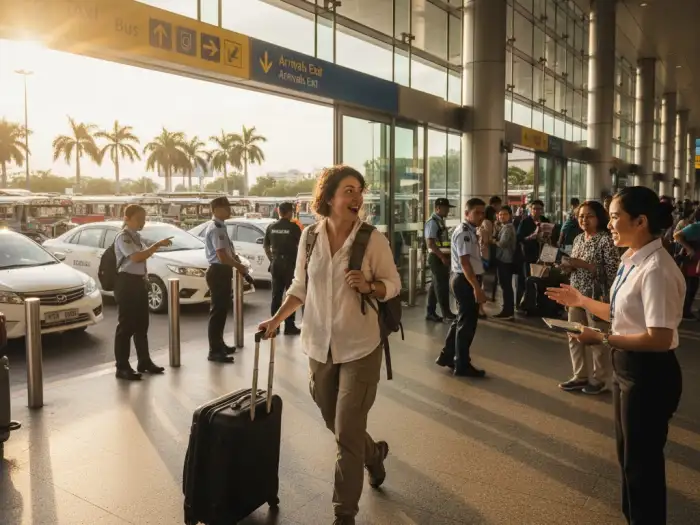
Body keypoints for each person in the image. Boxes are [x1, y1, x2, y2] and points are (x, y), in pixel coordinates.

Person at [258, 166, 401, 525]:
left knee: (347, 429)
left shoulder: (372, 239)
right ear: (330, 197)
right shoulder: (309, 238)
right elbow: (298, 288)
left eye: (359, 191)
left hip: (361, 346)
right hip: (318, 346)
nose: (357, 198)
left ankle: (344, 513)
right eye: (349, 191)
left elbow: (394, 285)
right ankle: (374, 454)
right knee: (333, 420)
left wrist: (370, 287)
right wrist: (276, 320)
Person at [546, 186, 684, 525]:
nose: (609, 224)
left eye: (614, 217)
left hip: (648, 373)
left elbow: (659, 338)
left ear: (640, 221)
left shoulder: (656, 270)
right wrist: (580, 301)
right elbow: (620, 312)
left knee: (642, 465)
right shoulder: (632, 260)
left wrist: (604, 339)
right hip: (628, 368)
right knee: (628, 458)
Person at [557, 201, 620, 395]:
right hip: (575, 294)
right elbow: (575, 265)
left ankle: (600, 379)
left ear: (599, 217)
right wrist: (569, 266)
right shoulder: (578, 239)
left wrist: (586, 265)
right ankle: (580, 375)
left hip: (595, 296)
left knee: (596, 337)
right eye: (581, 216)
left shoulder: (605, 240)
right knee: (573, 334)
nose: (584, 219)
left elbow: (613, 271)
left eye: (589, 215)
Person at [113, 204, 172, 381]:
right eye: (139, 219)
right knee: (126, 327)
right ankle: (122, 366)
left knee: (141, 325)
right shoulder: (123, 237)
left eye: (144, 219)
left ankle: (144, 361)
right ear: (127, 218)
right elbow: (137, 257)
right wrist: (157, 246)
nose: (142, 222)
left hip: (139, 283)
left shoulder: (136, 236)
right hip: (126, 283)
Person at [435, 198, 487, 377]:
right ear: (467, 213)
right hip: (465, 280)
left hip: (464, 279)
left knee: (460, 320)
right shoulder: (464, 232)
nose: (481, 216)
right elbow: (465, 263)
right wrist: (476, 287)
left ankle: (448, 356)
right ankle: (462, 363)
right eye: (477, 212)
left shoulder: (471, 231)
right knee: (467, 324)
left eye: (482, 212)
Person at [204, 196, 249, 363]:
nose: (229, 210)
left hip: (222, 271)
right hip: (218, 271)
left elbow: (227, 252)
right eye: (225, 207)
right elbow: (222, 256)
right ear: (215, 209)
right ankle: (214, 350)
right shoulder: (216, 228)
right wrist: (239, 266)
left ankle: (219, 344)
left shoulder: (220, 226)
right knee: (217, 312)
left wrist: (235, 261)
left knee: (222, 311)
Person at [264, 201, 302, 335]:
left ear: (279, 212)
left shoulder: (271, 227)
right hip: (290, 265)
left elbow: (266, 247)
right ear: (290, 212)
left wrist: (272, 259)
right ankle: (289, 326)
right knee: (290, 295)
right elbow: (302, 246)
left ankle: (275, 326)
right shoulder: (294, 228)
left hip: (276, 265)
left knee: (276, 296)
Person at [424, 198, 456, 323]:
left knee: (435, 285)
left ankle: (430, 312)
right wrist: (442, 257)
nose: (448, 210)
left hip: (441, 256)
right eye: (445, 208)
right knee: (441, 286)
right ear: (437, 208)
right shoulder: (432, 222)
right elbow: (430, 243)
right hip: (437, 257)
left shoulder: (440, 221)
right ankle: (446, 313)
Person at [515, 200, 549, 308]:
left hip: (542, 255)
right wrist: (531, 237)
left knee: (542, 279)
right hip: (528, 255)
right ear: (530, 209)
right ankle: (526, 304)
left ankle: (540, 303)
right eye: (534, 209)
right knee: (528, 279)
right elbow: (519, 238)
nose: (537, 211)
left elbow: (553, 235)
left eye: (539, 209)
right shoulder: (525, 222)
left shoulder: (545, 221)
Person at [673, 207, 700, 320]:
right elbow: (676, 236)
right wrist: (689, 248)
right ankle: (685, 311)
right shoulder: (695, 226)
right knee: (691, 285)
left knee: (693, 285)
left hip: (696, 259)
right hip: (692, 260)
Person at [491, 205, 516, 319]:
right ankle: (507, 308)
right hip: (504, 259)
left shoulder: (508, 228)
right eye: (500, 214)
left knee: (505, 285)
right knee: (505, 285)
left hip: (505, 260)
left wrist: (493, 241)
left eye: (505, 214)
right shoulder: (504, 227)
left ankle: (508, 310)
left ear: (510, 215)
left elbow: (503, 243)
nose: (502, 216)